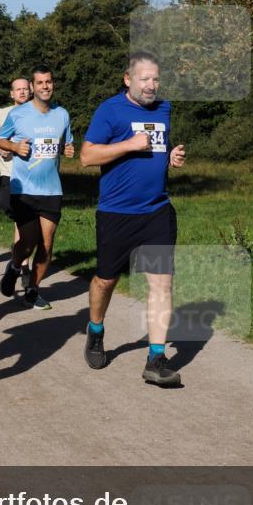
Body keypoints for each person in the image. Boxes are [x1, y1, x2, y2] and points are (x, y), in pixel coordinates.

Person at [80, 51, 186, 387]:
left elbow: (157, 148)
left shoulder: (164, 109)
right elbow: (87, 156)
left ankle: (156, 359)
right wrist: (128, 144)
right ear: (128, 79)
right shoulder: (109, 110)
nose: (151, 85)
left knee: (161, 283)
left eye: (156, 79)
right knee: (105, 281)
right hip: (117, 213)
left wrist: (171, 156)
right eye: (144, 79)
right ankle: (96, 329)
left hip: (156, 211)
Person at [0, 65, 74, 310]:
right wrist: (14, 147)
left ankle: (32, 290)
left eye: (48, 81)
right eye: (40, 83)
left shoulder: (62, 114)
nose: (45, 86)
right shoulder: (19, 114)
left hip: (51, 189)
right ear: (32, 86)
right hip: (24, 190)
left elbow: (65, 143)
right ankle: (14, 266)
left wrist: (68, 149)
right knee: (28, 242)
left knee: (47, 244)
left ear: (53, 84)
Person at [0, 77, 32, 290]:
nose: (22, 92)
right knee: (9, 207)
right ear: (11, 93)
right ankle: (19, 260)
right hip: (10, 173)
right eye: (18, 89)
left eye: (25, 89)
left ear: (30, 91)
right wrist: (0, 148)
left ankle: (23, 266)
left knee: (22, 221)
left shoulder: (39, 113)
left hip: (32, 175)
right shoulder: (2, 113)